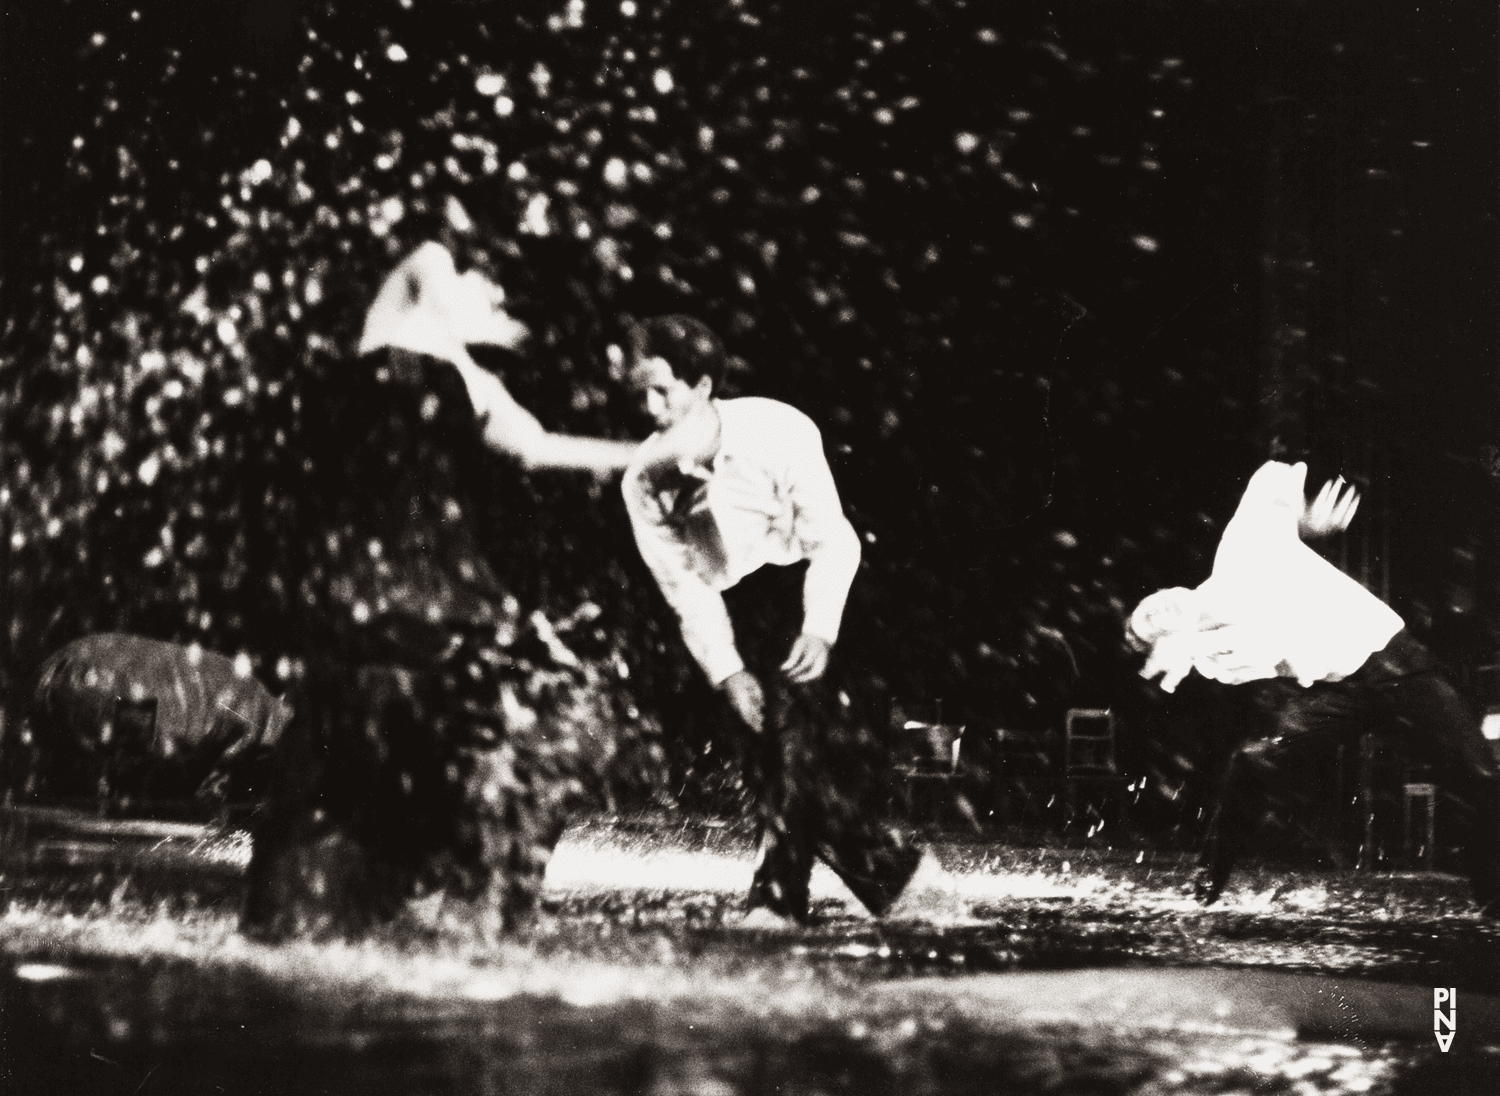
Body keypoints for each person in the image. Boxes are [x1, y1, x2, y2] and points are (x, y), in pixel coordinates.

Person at [241, 241, 639, 941]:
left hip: (430, 603)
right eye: (489, 292)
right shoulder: (395, 328)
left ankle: (460, 909)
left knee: (524, 730)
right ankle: (428, 894)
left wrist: (653, 458)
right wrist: (476, 309)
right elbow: (427, 261)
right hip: (380, 598)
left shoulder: (477, 382)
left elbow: (542, 447)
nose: (494, 304)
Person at [620, 315, 952, 928]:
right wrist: (727, 670)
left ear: (701, 385)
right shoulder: (644, 477)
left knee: (792, 747)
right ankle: (894, 876)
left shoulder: (778, 428)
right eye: (638, 392)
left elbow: (834, 539)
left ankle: (779, 897)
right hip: (732, 612)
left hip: (807, 588)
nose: (650, 407)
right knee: (768, 755)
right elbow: (684, 587)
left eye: (662, 390)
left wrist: (819, 627)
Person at [1129, 460, 1500, 916]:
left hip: (1395, 662)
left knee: (1480, 775)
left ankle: (1494, 899)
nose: (1159, 610)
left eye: (1152, 604)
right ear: (1165, 641)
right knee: (1254, 760)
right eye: (1151, 625)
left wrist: (1301, 521)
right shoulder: (1209, 655)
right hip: (1341, 693)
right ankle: (1206, 890)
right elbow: (1226, 658)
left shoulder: (1243, 549)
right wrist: (1181, 648)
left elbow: (1270, 476)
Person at [21, 633, 291, 813]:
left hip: (82, 664)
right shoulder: (257, 716)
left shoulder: (246, 690)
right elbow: (208, 785)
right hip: (132, 695)